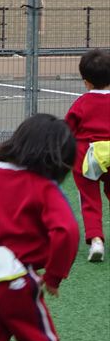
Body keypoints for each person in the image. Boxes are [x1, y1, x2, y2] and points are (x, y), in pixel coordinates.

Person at [0, 114, 79, 341]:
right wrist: (54, 276)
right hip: (17, 277)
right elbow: (66, 230)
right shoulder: (43, 187)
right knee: (42, 340)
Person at [65, 48, 110, 262]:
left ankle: (96, 240)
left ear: (86, 82)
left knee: (90, 199)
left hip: (87, 157)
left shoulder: (82, 103)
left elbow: (68, 129)